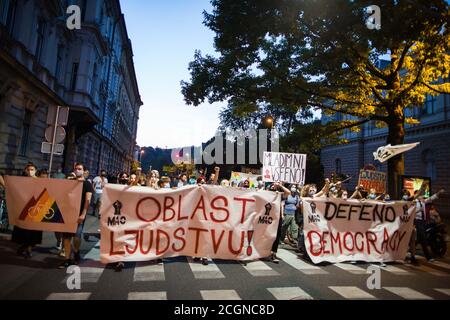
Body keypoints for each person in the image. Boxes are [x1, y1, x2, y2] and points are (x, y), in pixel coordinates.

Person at [58, 163, 93, 268]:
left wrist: (83, 214)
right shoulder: (70, 182)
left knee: (77, 236)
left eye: (80, 169)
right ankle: (67, 259)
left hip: (79, 214)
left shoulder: (87, 184)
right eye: (76, 168)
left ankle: (76, 251)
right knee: (67, 237)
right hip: (68, 213)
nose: (77, 170)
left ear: (84, 171)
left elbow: (88, 200)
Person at [12, 163, 43, 258]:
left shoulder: (40, 181)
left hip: (36, 209)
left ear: (36, 170)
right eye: (28, 169)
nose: (30, 171)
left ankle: (28, 248)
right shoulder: (22, 181)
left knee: (34, 231)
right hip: (24, 208)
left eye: (32, 169)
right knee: (24, 230)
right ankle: (26, 248)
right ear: (25, 170)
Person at [409, 188, 445, 264]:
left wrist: (439, 192)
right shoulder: (414, 202)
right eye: (421, 195)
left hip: (423, 222)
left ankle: (412, 254)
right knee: (423, 239)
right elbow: (411, 212)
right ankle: (428, 257)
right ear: (417, 196)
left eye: (422, 195)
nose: (422, 196)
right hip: (417, 221)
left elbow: (432, 197)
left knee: (418, 239)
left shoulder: (423, 202)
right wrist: (418, 210)